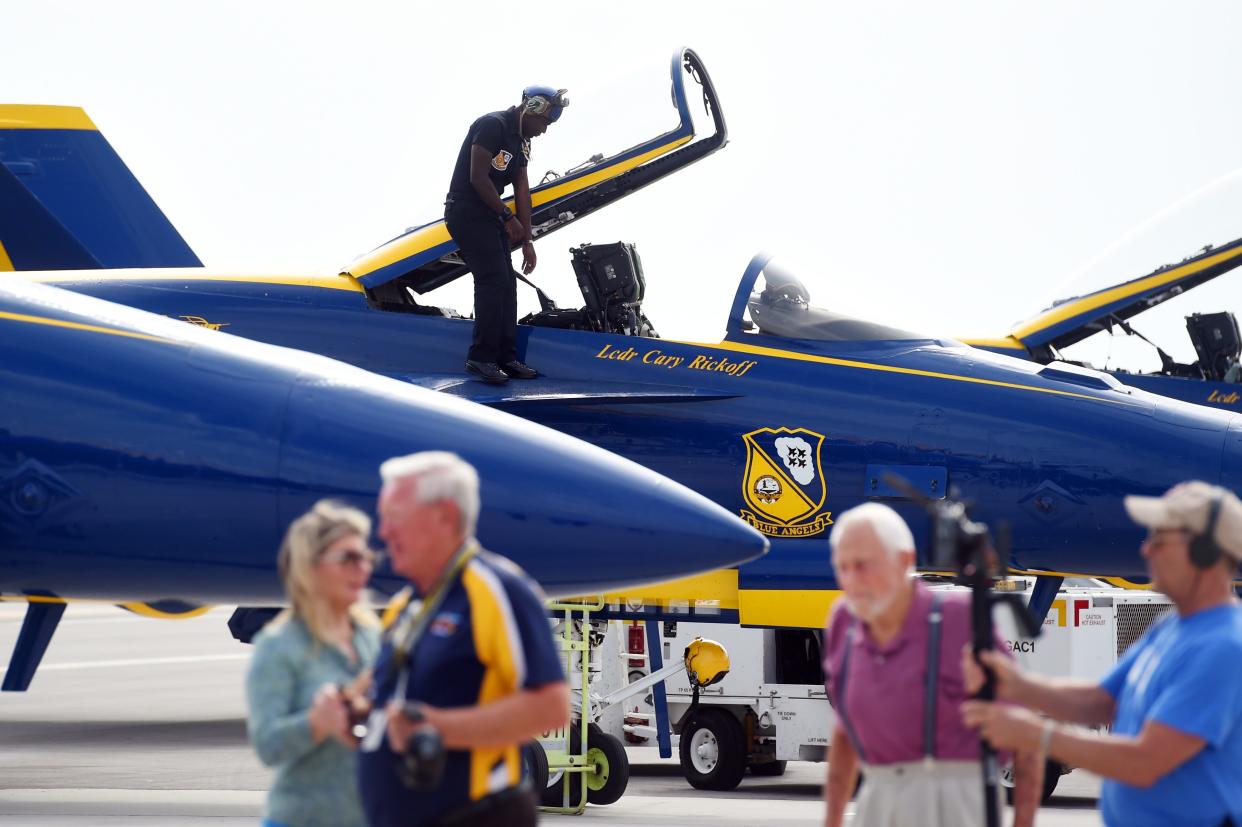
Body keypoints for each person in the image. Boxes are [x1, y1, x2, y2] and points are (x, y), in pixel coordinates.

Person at [962, 481, 1242, 827]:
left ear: (1205, 553)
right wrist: (1016, 685)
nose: (1146, 551)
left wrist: (1037, 736)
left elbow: (1146, 760)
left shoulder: (1223, 647)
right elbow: (1101, 701)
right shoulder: (1173, 627)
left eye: (1160, 540)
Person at [357, 452, 568, 827]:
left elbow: (550, 707)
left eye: (395, 517)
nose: (384, 532)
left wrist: (440, 728)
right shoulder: (405, 604)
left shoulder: (498, 590)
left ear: (445, 516)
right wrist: (350, 710)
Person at [822, 502, 1040, 827]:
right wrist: (833, 820)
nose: (852, 580)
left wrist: (1023, 821)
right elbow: (844, 732)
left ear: (905, 561)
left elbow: (1026, 737)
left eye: (864, 566)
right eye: (843, 567)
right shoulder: (843, 621)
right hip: (877, 803)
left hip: (956, 807)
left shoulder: (958, 617)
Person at [246, 500, 382, 827]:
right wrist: (316, 723)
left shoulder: (370, 635)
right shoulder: (278, 646)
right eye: (348, 558)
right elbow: (267, 745)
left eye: (365, 557)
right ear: (310, 565)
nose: (362, 568)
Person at [445, 86, 568, 385]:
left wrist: (527, 239)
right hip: (466, 211)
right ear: (532, 108)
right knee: (492, 279)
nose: (544, 131)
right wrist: (507, 216)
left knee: (508, 284)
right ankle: (480, 358)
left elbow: (522, 189)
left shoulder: (522, 142)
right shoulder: (492, 125)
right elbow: (477, 177)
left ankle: (506, 357)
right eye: (545, 123)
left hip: (491, 216)